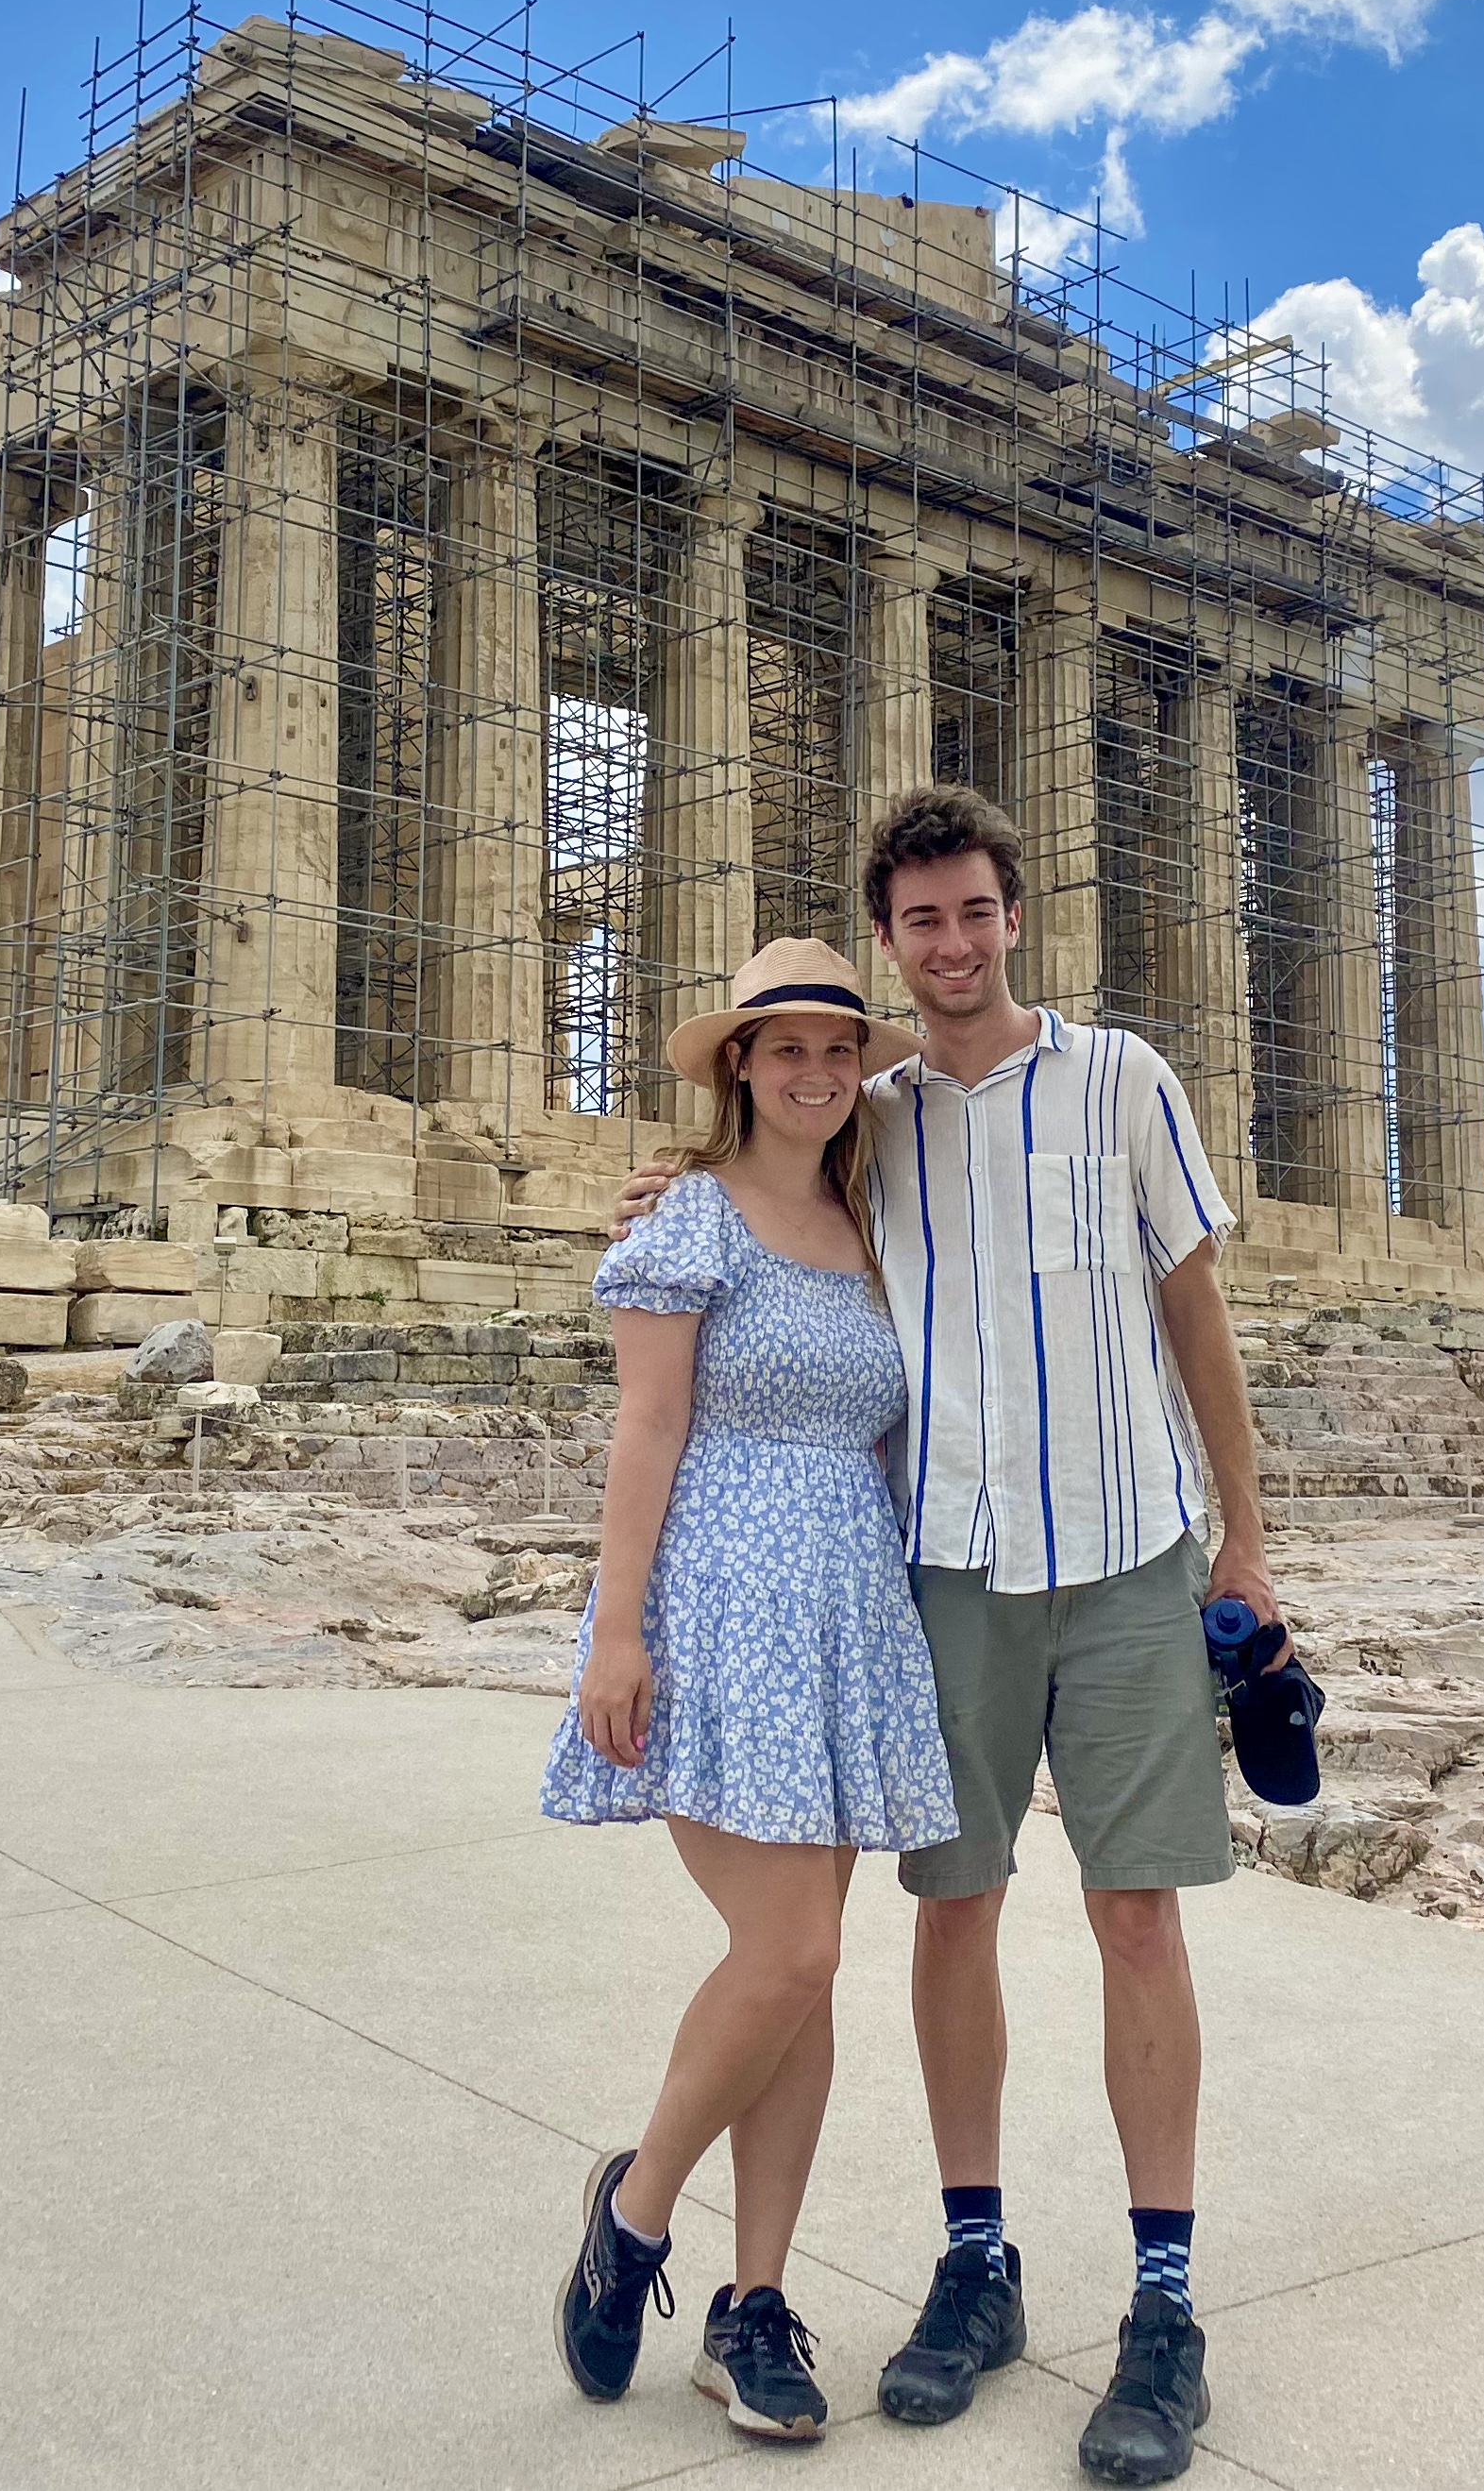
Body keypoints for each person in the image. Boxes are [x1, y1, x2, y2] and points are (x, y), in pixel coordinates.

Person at [613, 785, 1284, 2486]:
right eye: (920, 921)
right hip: (951, 1571)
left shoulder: (1121, 1077)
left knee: (1136, 1915)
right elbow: (750, 1203)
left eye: (973, 910)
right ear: (894, 940)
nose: (953, 941)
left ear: (1009, 913)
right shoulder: (878, 1119)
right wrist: (667, 1202)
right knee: (952, 1909)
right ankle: (973, 2258)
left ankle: (1161, 2304)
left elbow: (1193, 1313)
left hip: (1131, 1556)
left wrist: (1249, 1553)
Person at [544, 938, 962, 2446]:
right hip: (717, 1600)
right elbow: (643, 1428)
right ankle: (637, 2209)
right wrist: (615, 1630)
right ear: (737, 1064)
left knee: (811, 1963)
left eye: (838, 1052)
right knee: (782, 1952)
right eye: (782, 1048)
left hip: (846, 1610)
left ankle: (754, 2304)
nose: (813, 1073)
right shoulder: (688, 1220)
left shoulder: (875, 1222)